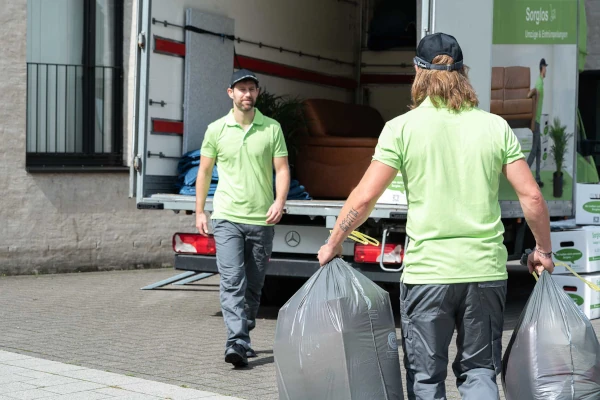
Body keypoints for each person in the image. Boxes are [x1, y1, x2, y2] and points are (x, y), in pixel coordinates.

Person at [317, 33, 555, 399]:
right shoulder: (494, 126)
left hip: (428, 274)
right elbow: (532, 197)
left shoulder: (401, 129)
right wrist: (542, 249)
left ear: (417, 71)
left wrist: (334, 242)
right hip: (484, 273)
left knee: (426, 380)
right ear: (463, 73)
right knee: (479, 373)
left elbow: (363, 199)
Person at [195, 69, 290, 367]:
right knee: (233, 280)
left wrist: (280, 201)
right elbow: (204, 171)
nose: (246, 94)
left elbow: (282, 170)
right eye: (241, 89)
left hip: (262, 220)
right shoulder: (216, 130)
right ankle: (235, 340)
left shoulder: (272, 128)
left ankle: (243, 334)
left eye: (251, 89)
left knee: (254, 284)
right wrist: (200, 210)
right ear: (230, 93)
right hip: (226, 217)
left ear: (257, 93)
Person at [527, 58, 548, 187]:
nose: (546, 70)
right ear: (542, 68)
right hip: (537, 121)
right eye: (545, 68)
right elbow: (532, 96)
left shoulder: (540, 83)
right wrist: (534, 121)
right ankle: (523, 175)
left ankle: (538, 178)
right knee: (534, 150)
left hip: (538, 120)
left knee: (539, 151)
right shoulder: (539, 83)